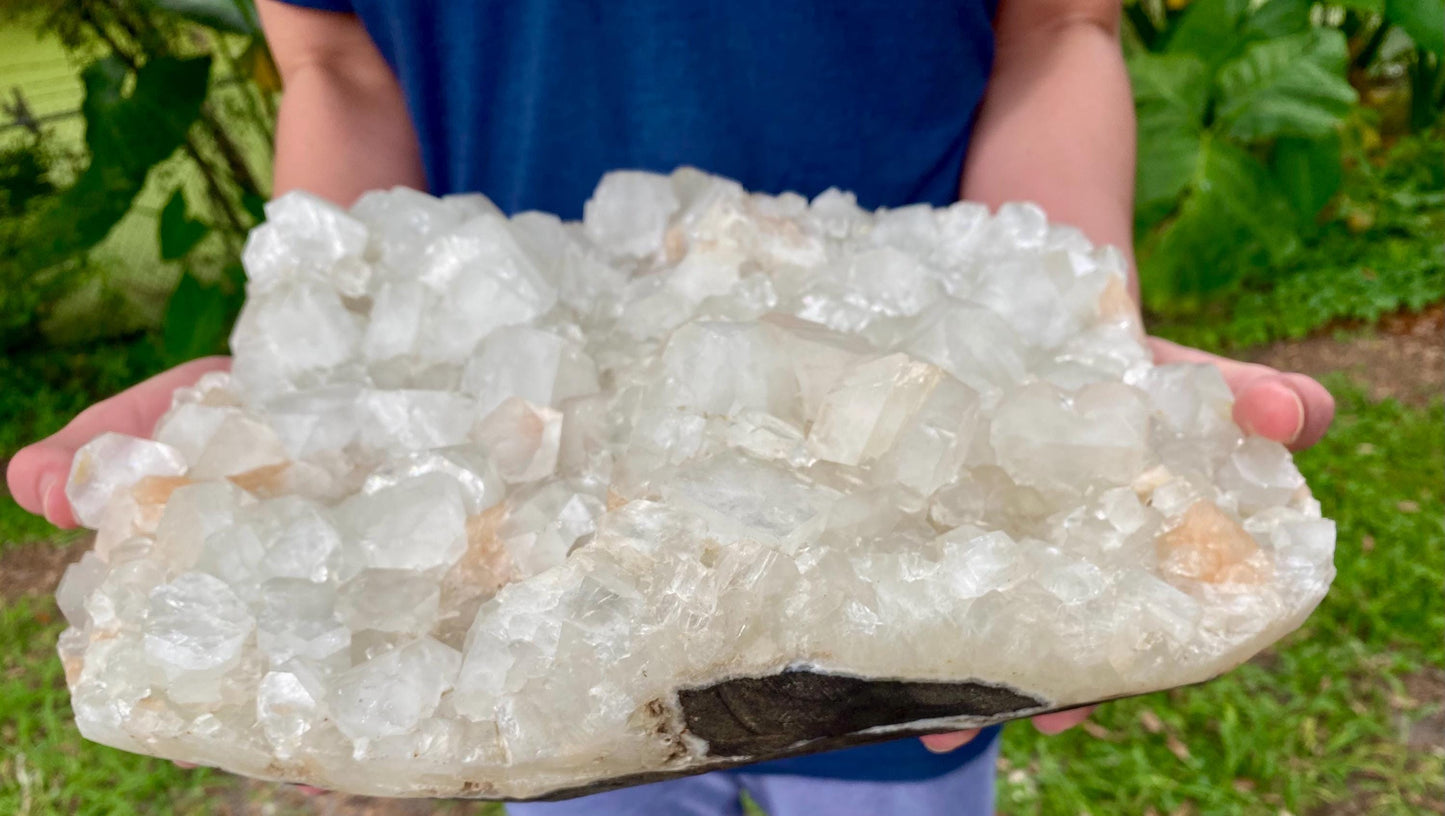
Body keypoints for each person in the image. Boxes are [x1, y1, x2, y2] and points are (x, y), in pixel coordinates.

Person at [6, 1, 1337, 813]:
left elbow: (1055, 24)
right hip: (525, 560)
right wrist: (341, 367)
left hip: (905, 504)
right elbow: (337, 57)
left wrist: (1045, 345)